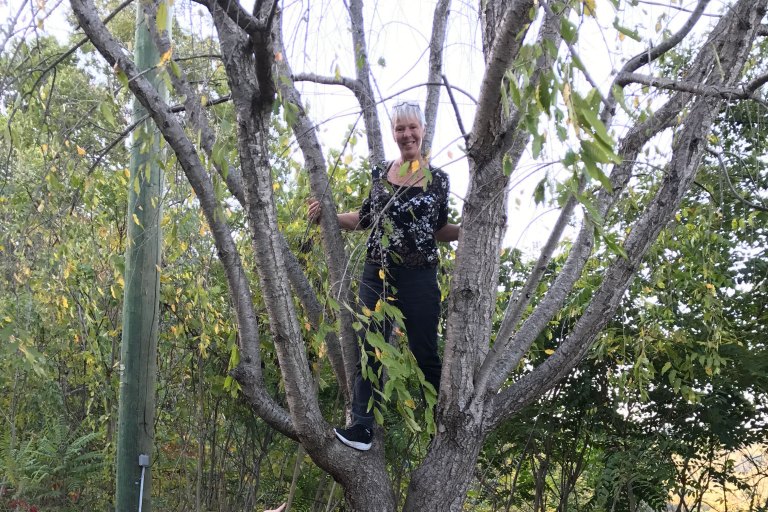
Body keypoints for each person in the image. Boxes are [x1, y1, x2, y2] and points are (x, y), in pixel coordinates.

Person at [308, 101, 459, 451]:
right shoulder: (379, 173)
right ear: (394, 133)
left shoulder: (438, 180)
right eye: (400, 128)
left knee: (425, 351)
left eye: (412, 128)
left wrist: (469, 230)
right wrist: (327, 213)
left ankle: (442, 425)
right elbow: (365, 218)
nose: (406, 134)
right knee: (370, 347)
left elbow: (437, 229)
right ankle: (361, 428)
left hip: (420, 277)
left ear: (422, 130)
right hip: (377, 273)